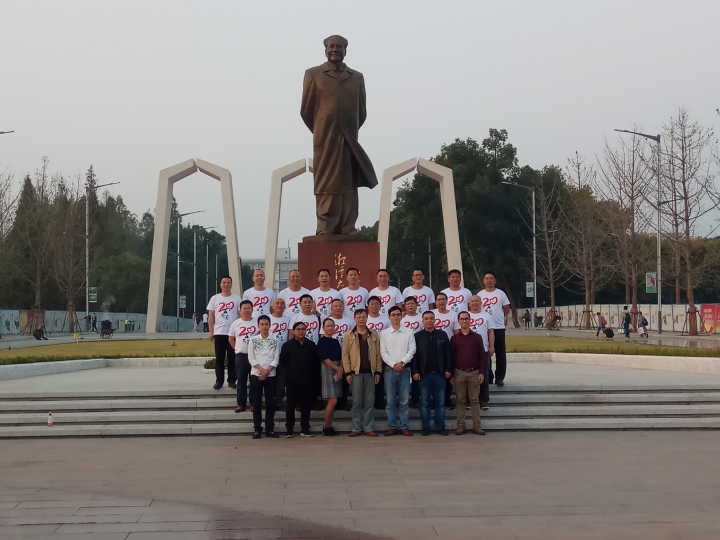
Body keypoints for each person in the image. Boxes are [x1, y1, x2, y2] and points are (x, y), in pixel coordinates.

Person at [342, 309, 382, 437]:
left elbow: (378, 354)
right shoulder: (349, 334)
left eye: (363, 317)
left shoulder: (373, 334)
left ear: (367, 318)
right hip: (356, 373)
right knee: (357, 402)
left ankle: (368, 427)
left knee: (369, 402)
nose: (361, 319)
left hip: (370, 373)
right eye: (358, 317)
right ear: (354, 318)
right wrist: (348, 373)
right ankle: (356, 427)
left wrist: (378, 371)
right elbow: (345, 355)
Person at [412, 311, 453, 435]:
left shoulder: (442, 334)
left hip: (440, 374)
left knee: (440, 403)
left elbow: (448, 354)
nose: (429, 320)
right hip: (424, 375)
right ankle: (426, 428)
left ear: (435, 320)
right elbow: (415, 356)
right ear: (422, 321)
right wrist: (415, 371)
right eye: (426, 318)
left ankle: (440, 427)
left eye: (431, 318)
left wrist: (448, 369)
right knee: (425, 403)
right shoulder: (417, 336)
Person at [280, 321, 320, 437]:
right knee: (290, 406)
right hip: (291, 381)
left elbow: (316, 364)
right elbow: (283, 364)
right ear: (293, 331)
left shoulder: (311, 345)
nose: (301, 331)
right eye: (298, 329)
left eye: (303, 329)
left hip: (307, 381)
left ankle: (305, 429)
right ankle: (289, 430)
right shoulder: (287, 345)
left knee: (306, 406)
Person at [380, 306, 416, 436]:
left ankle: (404, 426)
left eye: (398, 314)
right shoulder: (384, 333)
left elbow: (412, 349)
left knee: (404, 400)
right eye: (393, 315)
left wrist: (402, 363)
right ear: (389, 317)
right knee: (390, 401)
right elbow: (383, 352)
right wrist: (393, 364)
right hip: (389, 370)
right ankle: (392, 426)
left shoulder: (409, 332)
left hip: (405, 370)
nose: (396, 317)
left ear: (401, 316)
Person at [451, 311, 488, 436]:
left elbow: (482, 356)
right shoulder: (454, 338)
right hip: (459, 373)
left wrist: (481, 372)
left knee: (474, 400)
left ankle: (477, 426)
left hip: (474, 373)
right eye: (462, 319)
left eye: (466, 318)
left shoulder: (477, 337)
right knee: (460, 400)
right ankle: (460, 426)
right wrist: (452, 374)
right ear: (458, 321)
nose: (464, 321)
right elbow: (452, 357)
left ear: (470, 320)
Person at [248, 315, 281, 439]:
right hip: (256, 375)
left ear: (270, 325)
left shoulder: (275, 340)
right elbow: (251, 358)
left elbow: (276, 358)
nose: (264, 326)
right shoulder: (253, 340)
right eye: (262, 324)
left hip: (271, 375)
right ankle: (257, 429)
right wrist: (261, 371)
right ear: (258, 325)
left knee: (270, 403)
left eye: (266, 324)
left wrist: (267, 371)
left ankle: (269, 429)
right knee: (256, 403)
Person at [207, 276, 242, 390]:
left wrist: (239, 331)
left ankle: (232, 381)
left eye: (228, 282)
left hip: (232, 334)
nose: (226, 284)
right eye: (224, 282)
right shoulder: (215, 298)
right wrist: (211, 331)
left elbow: (240, 316)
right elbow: (211, 316)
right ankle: (219, 381)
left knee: (232, 359)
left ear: (231, 284)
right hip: (219, 333)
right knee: (219, 359)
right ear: (220, 284)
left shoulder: (237, 298)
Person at [478, 272, 510, 387]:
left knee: (500, 353)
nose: (489, 280)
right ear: (483, 281)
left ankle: (500, 377)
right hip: (485, 328)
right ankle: (489, 377)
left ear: (495, 281)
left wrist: (501, 319)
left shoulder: (501, 293)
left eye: (491, 278)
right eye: (487, 278)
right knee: (486, 353)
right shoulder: (480, 294)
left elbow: (506, 308)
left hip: (498, 327)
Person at [228, 300, 258, 412]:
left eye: (249, 308)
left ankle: (254, 403)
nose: (247, 310)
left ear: (252, 309)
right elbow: (231, 339)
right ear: (240, 310)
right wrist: (237, 349)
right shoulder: (236, 323)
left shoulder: (257, 322)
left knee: (254, 381)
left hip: (255, 356)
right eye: (244, 308)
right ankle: (241, 404)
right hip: (241, 356)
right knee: (241, 381)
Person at [468, 295, 495, 408]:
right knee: (469, 377)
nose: (475, 303)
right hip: (468, 351)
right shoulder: (465, 315)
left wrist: (491, 346)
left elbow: (491, 332)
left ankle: (484, 401)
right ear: (469, 303)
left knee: (484, 376)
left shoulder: (487, 315)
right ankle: (469, 401)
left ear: (481, 303)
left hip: (483, 350)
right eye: (472, 301)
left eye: (477, 301)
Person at [318, 318, 343, 436]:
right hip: (328, 369)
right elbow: (324, 358)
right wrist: (337, 368)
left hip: (337, 369)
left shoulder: (335, 341)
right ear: (323, 328)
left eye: (331, 326)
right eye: (327, 326)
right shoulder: (322, 341)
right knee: (332, 400)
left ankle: (329, 425)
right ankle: (326, 427)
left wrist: (340, 368)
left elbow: (340, 356)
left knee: (334, 400)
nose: (330, 328)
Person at [366, 295, 390, 409]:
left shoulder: (386, 320)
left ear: (380, 306)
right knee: (369, 378)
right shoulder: (365, 319)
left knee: (379, 377)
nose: (374, 306)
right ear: (368, 306)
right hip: (368, 352)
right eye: (372, 304)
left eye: (377, 304)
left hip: (383, 351)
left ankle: (379, 402)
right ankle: (369, 402)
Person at [268, 298, 290, 407]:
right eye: (277, 303)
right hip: (270, 354)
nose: (279, 305)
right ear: (272, 306)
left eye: (282, 303)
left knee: (282, 379)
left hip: (283, 354)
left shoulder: (288, 319)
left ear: (285, 306)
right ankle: (270, 400)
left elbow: (290, 336)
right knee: (271, 378)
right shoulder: (267, 318)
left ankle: (279, 401)